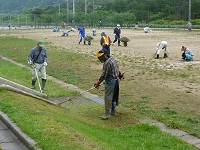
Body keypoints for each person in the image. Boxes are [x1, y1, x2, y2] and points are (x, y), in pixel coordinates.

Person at [94, 48, 123, 120]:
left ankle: (107, 114)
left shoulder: (107, 63)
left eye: (101, 57)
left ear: (105, 55)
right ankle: (113, 111)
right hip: (116, 80)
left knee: (108, 98)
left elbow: (104, 75)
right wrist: (119, 75)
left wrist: (98, 82)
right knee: (113, 97)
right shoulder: (113, 59)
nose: (100, 59)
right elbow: (117, 70)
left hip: (111, 82)